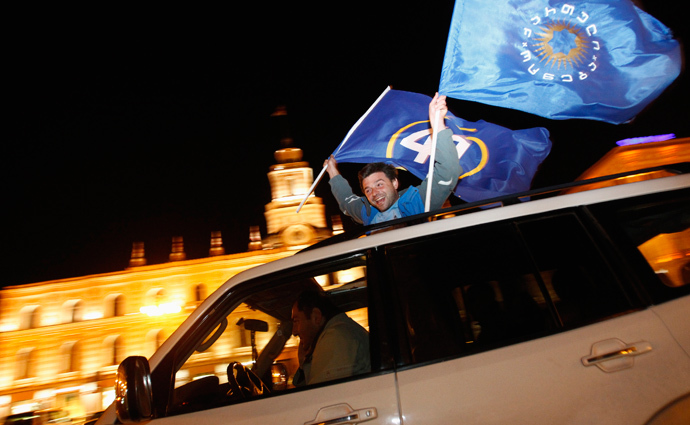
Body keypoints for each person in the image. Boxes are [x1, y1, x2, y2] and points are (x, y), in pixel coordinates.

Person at [324, 93, 462, 225]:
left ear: (395, 183)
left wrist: (437, 123)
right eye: (368, 190)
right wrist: (332, 171)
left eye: (379, 184)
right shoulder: (366, 212)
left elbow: (448, 171)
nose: (374, 193)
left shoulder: (416, 203)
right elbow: (346, 202)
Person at [291, 289, 370, 386]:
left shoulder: (335, 338)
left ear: (316, 317)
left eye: (296, 321)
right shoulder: (341, 331)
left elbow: (319, 396)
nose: (294, 332)